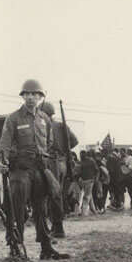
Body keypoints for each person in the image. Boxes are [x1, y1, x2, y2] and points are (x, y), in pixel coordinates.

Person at [0, 79, 69, 260]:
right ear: (22, 96)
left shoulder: (44, 119)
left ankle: (46, 249)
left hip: (39, 168)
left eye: (34, 94)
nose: (30, 98)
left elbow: (49, 142)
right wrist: (2, 161)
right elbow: (4, 142)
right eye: (26, 94)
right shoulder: (13, 118)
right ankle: (15, 248)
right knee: (17, 209)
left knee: (41, 208)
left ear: (39, 97)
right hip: (20, 169)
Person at [40, 101, 78, 237]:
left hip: (52, 162)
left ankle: (58, 227)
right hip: (62, 163)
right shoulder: (62, 126)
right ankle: (56, 225)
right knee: (57, 194)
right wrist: (63, 150)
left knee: (53, 195)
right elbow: (74, 141)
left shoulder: (44, 126)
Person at [78, 150, 99, 216]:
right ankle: (94, 210)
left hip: (90, 180)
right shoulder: (81, 161)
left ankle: (83, 212)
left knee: (86, 196)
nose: (81, 157)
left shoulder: (91, 161)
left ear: (85, 155)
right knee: (89, 195)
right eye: (80, 155)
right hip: (83, 180)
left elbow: (97, 170)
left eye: (82, 156)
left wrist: (95, 178)